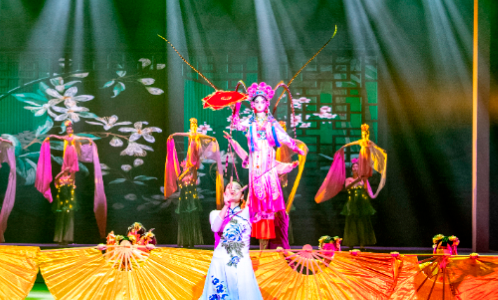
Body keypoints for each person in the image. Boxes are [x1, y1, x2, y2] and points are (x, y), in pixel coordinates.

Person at [196, 181, 277, 300]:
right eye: (228, 188)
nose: (231, 190)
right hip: (219, 266)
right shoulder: (215, 214)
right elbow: (215, 227)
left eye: (236, 188)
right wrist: (226, 206)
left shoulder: (248, 213)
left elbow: (262, 201)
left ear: (242, 196)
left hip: (240, 265)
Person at [223, 83, 303, 250]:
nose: (259, 104)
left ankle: (271, 244)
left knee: (270, 204)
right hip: (256, 166)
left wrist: (295, 147)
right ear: (253, 104)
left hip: (268, 164)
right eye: (256, 102)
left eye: (262, 101)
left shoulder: (271, 122)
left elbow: (283, 136)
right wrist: (236, 110)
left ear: (266, 103)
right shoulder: (250, 121)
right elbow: (237, 125)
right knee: (258, 205)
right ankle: (259, 245)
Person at [314, 123, 388, 247]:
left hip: (362, 203)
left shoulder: (363, 178)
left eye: (357, 166)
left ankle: (363, 244)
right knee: (351, 224)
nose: (355, 168)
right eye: (353, 166)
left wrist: (372, 192)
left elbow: (368, 190)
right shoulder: (349, 179)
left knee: (363, 223)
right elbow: (347, 187)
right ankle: (351, 244)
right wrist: (343, 147)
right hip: (352, 203)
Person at [35, 120, 107, 244]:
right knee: (65, 166)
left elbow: (82, 138)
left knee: (72, 169)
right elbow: (58, 137)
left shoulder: (74, 138)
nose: (69, 130)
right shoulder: (65, 138)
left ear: (72, 129)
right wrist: (50, 137)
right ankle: (61, 237)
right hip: (66, 154)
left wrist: (89, 140)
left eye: (70, 128)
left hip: (72, 154)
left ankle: (72, 181)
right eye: (67, 129)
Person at [164, 118, 221, 247]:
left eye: (195, 124)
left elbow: (205, 137)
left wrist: (211, 138)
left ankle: (191, 242)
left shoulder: (192, 178)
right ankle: (184, 241)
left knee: (194, 160)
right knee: (185, 220)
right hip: (185, 202)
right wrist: (174, 135)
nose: (194, 126)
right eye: (192, 125)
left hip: (194, 160)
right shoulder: (182, 179)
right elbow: (182, 134)